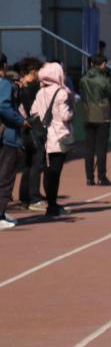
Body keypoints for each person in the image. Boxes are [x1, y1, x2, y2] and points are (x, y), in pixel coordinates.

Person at [30, 62, 74, 218]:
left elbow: (33, 111)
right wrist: (72, 112)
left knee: (48, 172)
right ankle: (52, 206)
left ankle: (51, 204)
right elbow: (65, 115)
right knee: (55, 173)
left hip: (44, 137)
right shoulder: (62, 92)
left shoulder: (40, 92)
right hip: (59, 136)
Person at [80, 54, 111, 185]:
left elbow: (83, 95)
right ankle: (102, 177)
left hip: (88, 114)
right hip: (103, 115)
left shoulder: (83, 79)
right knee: (101, 148)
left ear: (91, 64)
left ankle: (89, 178)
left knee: (89, 148)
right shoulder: (104, 80)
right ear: (103, 64)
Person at [0, 53, 26, 230]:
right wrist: (20, 120)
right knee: (5, 177)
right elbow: (3, 106)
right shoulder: (4, 84)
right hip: (7, 136)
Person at [14, 57, 44, 210]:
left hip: (22, 129)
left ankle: (25, 197)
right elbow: (33, 108)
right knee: (36, 163)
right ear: (33, 71)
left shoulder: (17, 86)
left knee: (27, 165)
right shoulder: (31, 88)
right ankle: (34, 198)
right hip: (31, 128)